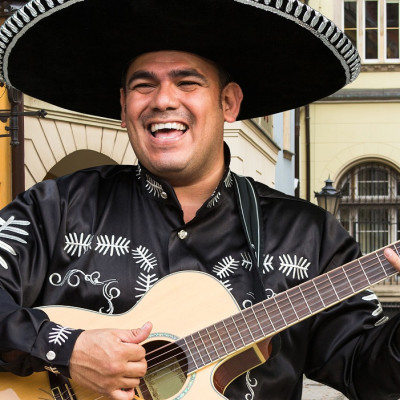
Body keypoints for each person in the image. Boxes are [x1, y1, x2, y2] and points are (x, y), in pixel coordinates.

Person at [0, 1, 400, 399]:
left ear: (229, 103)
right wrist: (65, 348)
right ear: (123, 107)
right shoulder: (57, 208)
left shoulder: (310, 236)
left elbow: (365, 370)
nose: (163, 100)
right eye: (144, 85)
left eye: (187, 82)